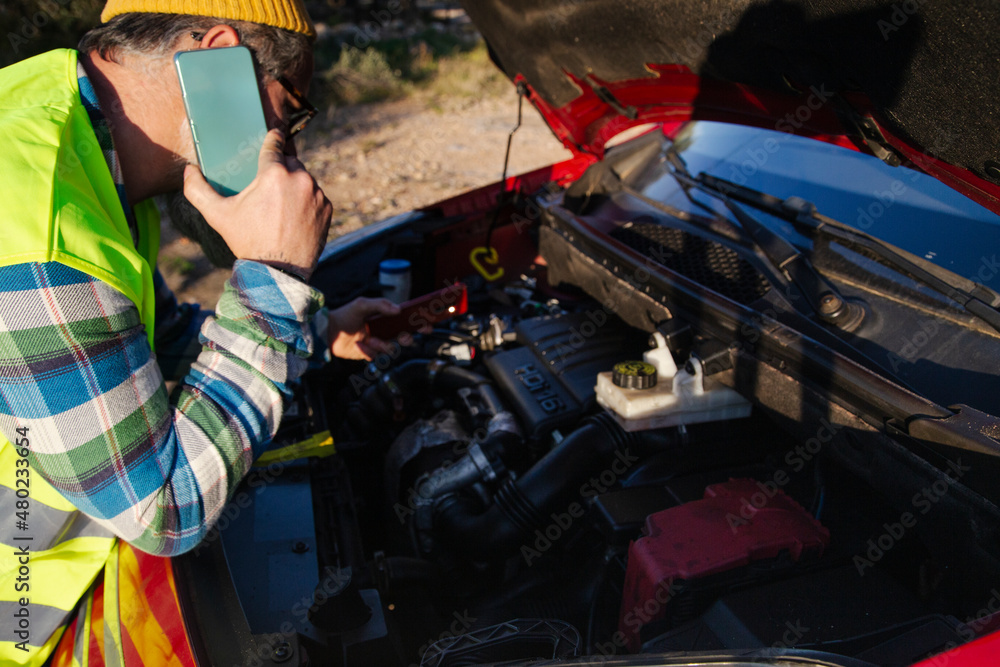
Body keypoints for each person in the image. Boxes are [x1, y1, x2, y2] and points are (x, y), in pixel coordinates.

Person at [0, 1, 400, 664]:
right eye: (290, 108)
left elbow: (147, 341)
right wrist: (273, 278)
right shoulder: (35, 226)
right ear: (220, 58)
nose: (289, 144)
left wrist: (319, 330)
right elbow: (165, 505)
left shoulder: (71, 135)